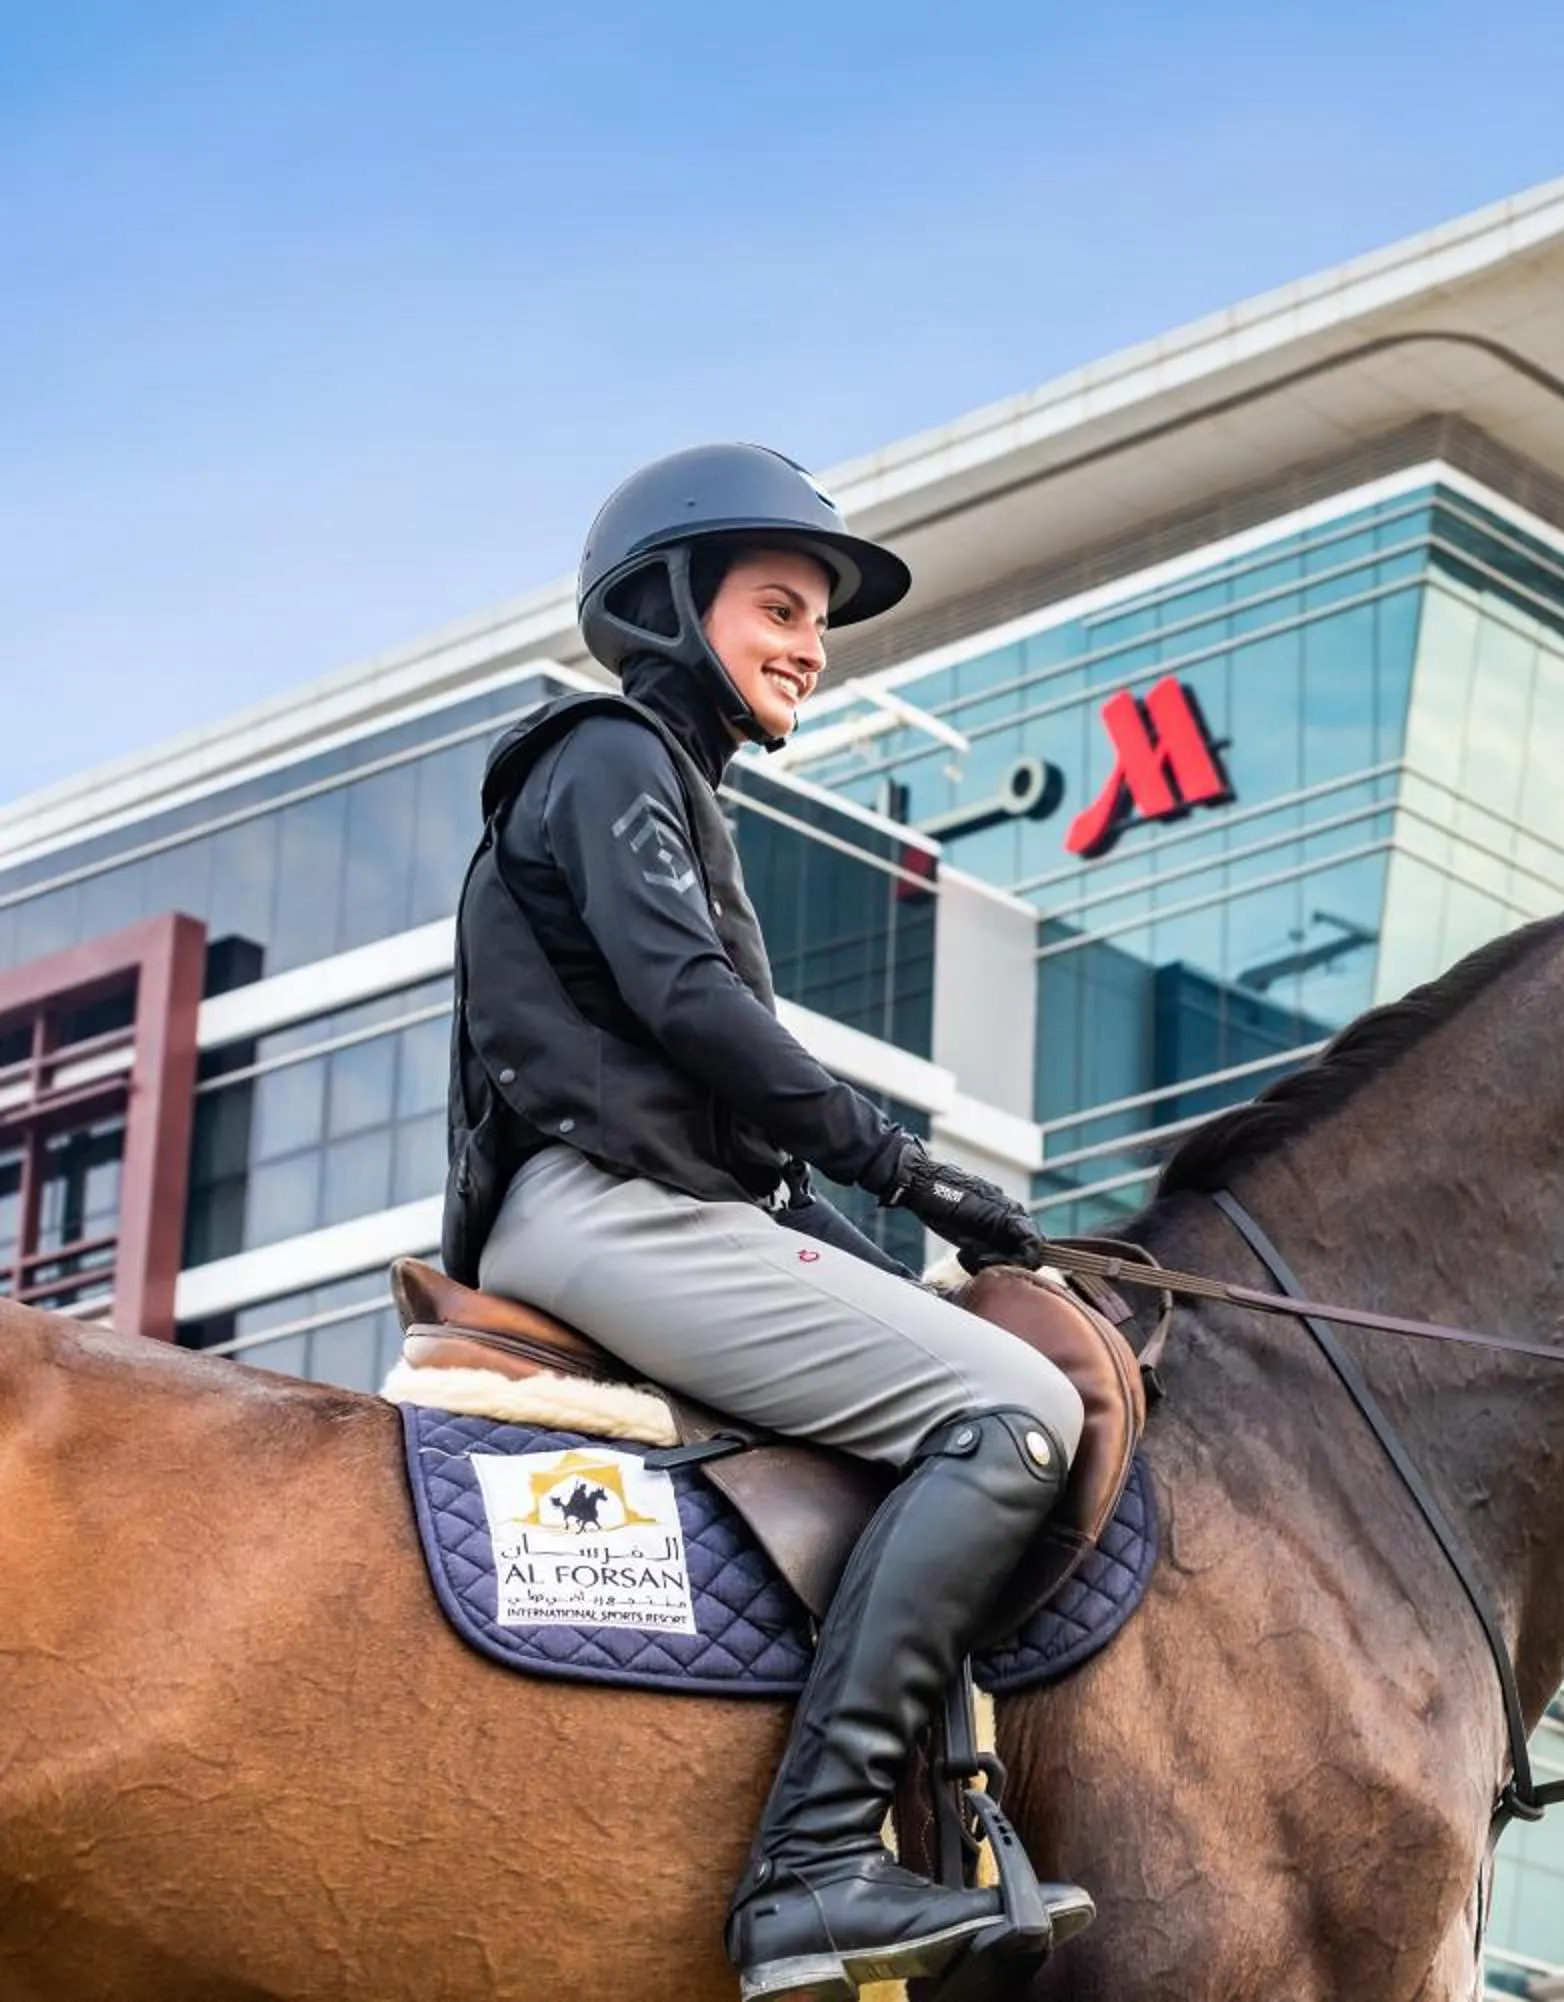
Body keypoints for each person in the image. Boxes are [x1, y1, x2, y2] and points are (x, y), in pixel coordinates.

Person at [440, 443, 1093, 2000]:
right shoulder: (605, 754)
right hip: (599, 1212)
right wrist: (912, 1168)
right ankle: (810, 1865)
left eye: (820, 619)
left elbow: (722, 1101)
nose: (810, 642)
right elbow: (691, 1006)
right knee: (1017, 1405)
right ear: (673, 605)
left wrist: (910, 1247)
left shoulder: (670, 788)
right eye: (779, 606)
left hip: (653, 1205)